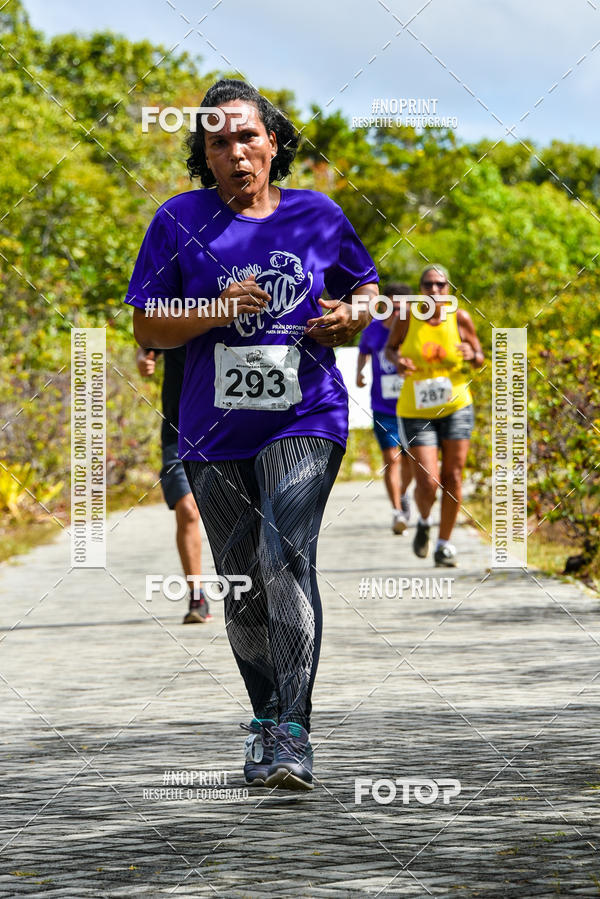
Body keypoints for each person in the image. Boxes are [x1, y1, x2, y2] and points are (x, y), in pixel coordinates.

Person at [125, 79, 378, 791]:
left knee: (283, 553)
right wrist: (212, 306)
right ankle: (265, 719)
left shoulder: (319, 214)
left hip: (307, 411)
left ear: (274, 142)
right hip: (214, 428)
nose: (236, 152)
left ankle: (296, 730)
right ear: (203, 154)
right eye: (218, 141)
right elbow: (148, 325)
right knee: (240, 579)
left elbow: (364, 288)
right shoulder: (178, 220)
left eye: (248, 136)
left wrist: (353, 318)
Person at [385, 264, 484, 567]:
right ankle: (425, 521)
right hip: (416, 410)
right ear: (420, 289)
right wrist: (398, 361)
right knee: (428, 481)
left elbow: (479, 357)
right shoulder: (407, 317)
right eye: (428, 285)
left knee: (453, 476)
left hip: (456, 406)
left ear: (449, 289)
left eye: (440, 285)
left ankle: (444, 544)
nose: (434, 290)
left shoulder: (461, 318)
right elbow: (390, 349)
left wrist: (472, 355)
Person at [135, 345, 210, 624]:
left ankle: (251, 592)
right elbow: (148, 344)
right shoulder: (178, 306)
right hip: (179, 433)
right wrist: (144, 359)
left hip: (231, 430)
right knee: (188, 510)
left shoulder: (237, 309)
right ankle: (197, 596)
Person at [356, 283, 413, 534]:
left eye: (401, 306)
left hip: (412, 406)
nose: (396, 310)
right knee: (391, 459)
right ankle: (397, 511)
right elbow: (363, 352)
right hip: (383, 405)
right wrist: (359, 372)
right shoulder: (373, 328)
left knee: (411, 460)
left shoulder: (414, 329)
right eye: (392, 305)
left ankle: (403, 494)